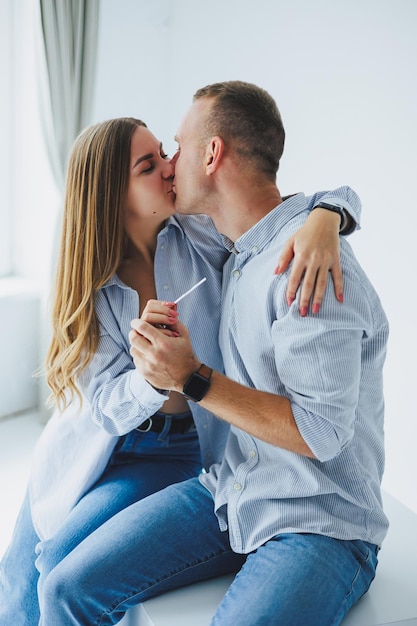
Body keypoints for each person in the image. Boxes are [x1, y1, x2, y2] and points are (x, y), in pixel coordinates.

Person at [37, 82, 388, 626]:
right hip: (230, 488)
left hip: (317, 518)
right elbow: (107, 399)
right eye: (154, 161)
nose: (170, 165)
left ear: (212, 153)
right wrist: (329, 212)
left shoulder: (302, 262)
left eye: (174, 148)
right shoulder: (241, 252)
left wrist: (190, 376)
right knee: (59, 585)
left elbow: (320, 432)